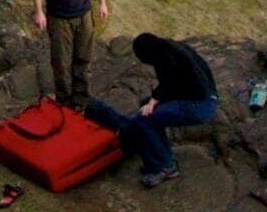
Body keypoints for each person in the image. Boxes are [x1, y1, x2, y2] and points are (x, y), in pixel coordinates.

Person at [83, 32, 221, 190]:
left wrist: (154, 101)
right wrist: (153, 101)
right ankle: (157, 149)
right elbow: (186, 76)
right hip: (203, 96)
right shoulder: (172, 47)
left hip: (198, 104)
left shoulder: (164, 57)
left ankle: (164, 166)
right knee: (146, 108)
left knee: (145, 119)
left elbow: (169, 82)